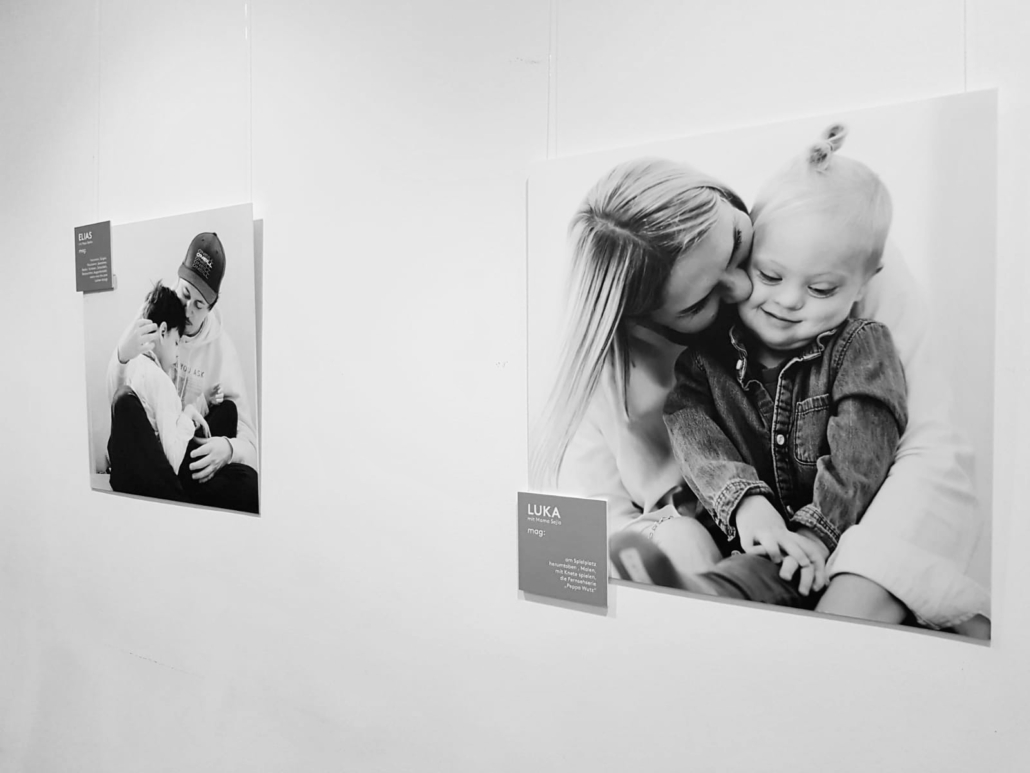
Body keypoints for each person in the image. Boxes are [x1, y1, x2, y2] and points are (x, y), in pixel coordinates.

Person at [530, 150, 990, 633]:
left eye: (736, 244)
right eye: (699, 302)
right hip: (735, 555)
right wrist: (736, 510)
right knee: (701, 556)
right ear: (643, 323)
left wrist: (824, 545)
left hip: (835, 545)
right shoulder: (684, 367)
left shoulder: (830, 247)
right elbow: (610, 510)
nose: (748, 288)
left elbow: (904, 449)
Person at [660, 126, 907, 604]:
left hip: (814, 551)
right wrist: (746, 503)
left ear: (863, 283)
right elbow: (694, 439)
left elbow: (863, 453)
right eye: (770, 275)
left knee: (759, 577)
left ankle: (700, 595)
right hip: (733, 531)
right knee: (684, 540)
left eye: (821, 288)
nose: (789, 300)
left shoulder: (860, 348)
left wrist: (814, 533)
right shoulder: (705, 361)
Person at [107, 232, 259, 514]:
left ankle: (172, 494)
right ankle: (181, 501)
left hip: (182, 456)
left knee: (249, 480)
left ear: (211, 307)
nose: (188, 311)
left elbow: (250, 443)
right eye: (186, 294)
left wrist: (228, 448)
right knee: (124, 401)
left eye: (199, 305)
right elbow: (117, 410)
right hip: (151, 452)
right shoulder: (154, 314)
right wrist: (121, 356)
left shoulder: (223, 350)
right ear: (177, 281)